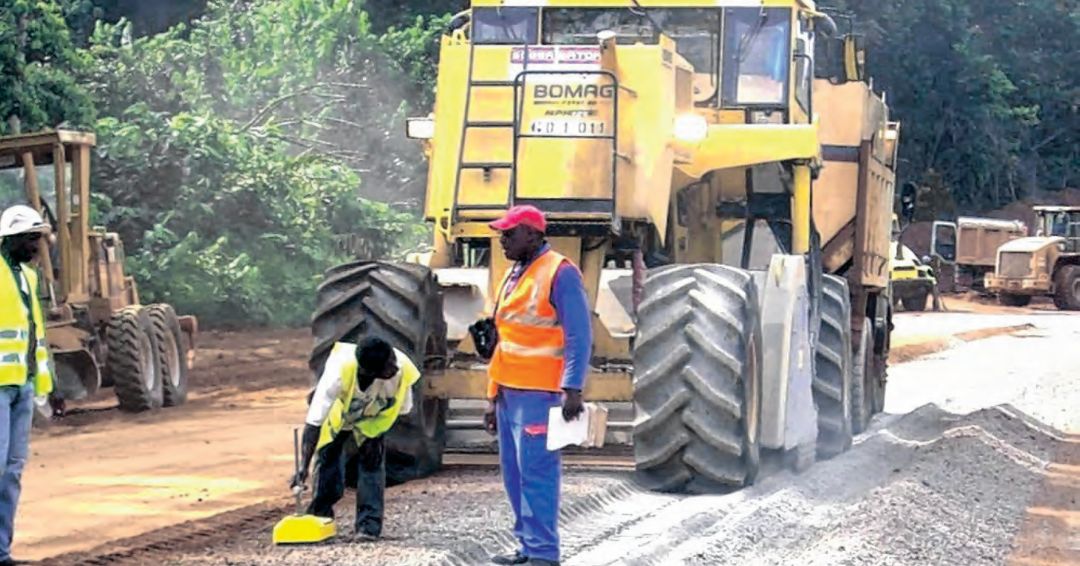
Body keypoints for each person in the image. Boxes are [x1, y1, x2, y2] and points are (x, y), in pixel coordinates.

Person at [477, 205, 593, 566]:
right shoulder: (514, 274)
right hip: (509, 393)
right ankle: (527, 548)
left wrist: (572, 387)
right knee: (515, 478)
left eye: (509, 234)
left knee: (537, 476)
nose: (502, 241)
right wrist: (491, 396)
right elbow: (505, 343)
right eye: (501, 234)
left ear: (532, 234)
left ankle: (543, 555)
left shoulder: (560, 272)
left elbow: (579, 335)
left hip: (540, 394)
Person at [291, 336, 420, 541]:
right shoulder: (338, 373)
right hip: (340, 412)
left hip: (374, 416)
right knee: (328, 459)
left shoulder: (401, 370)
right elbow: (313, 423)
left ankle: (368, 526)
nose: (395, 367)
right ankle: (320, 518)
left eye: (392, 360)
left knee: (372, 464)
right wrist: (302, 468)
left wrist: (372, 434)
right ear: (368, 371)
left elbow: (401, 409)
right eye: (389, 366)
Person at [0, 205, 53, 566]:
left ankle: (1, 553)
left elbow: (35, 333)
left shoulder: (29, 278)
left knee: (12, 472)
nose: (37, 244)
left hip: (23, 386)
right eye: (31, 238)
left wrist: (46, 386)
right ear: (11, 239)